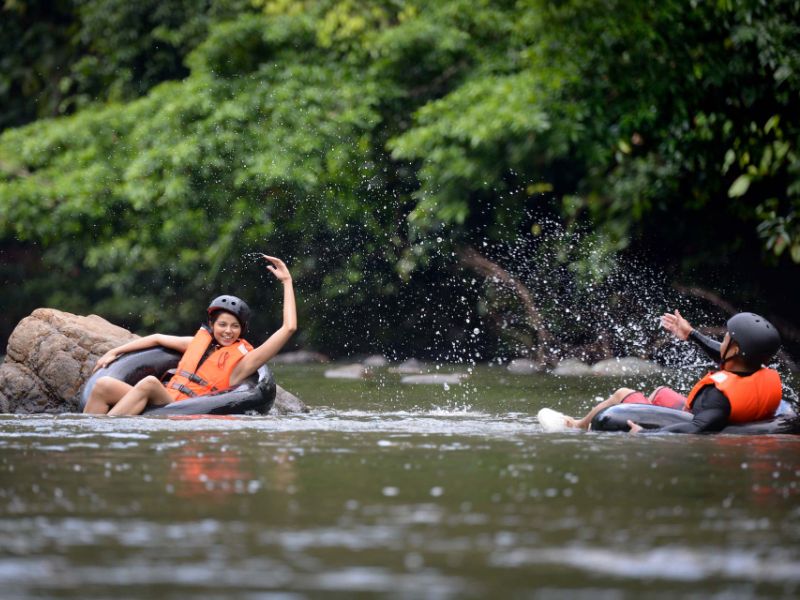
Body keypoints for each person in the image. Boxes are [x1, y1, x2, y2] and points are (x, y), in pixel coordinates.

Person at [83, 254, 297, 416]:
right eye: (222, 324)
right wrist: (114, 351)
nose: (228, 331)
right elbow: (156, 338)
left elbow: (288, 328)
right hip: (166, 397)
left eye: (234, 326)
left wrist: (287, 281)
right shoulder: (197, 344)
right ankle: (87, 438)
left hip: (182, 408)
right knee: (103, 386)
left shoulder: (244, 363)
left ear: (242, 330)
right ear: (212, 325)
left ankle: (106, 431)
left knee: (149, 383)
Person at [557, 310, 783, 434]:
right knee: (659, 392)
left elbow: (697, 428)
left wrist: (645, 434)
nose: (722, 341)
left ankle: (577, 426)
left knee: (622, 392)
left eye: (726, 338)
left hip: (700, 419)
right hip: (715, 413)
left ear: (734, 349)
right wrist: (691, 334)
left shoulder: (718, 396)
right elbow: (726, 356)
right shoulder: (757, 369)